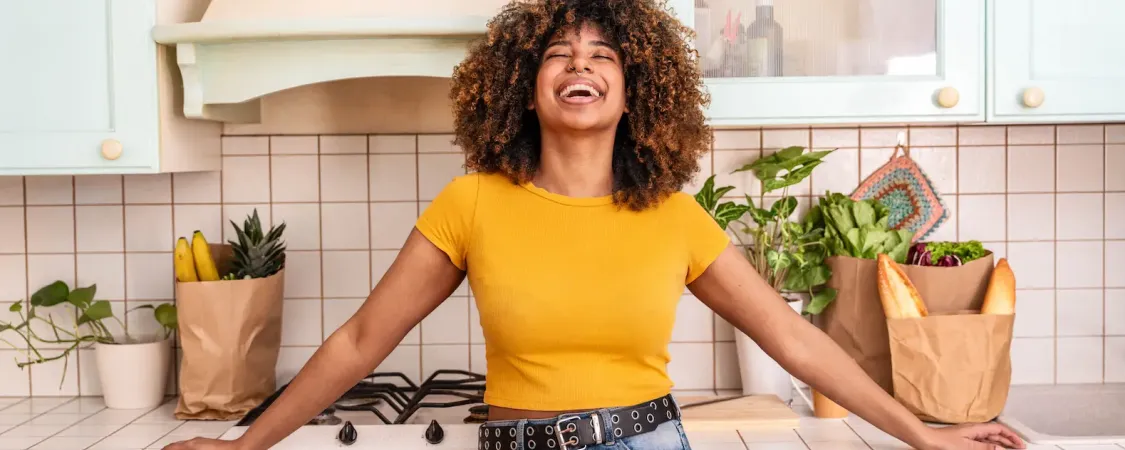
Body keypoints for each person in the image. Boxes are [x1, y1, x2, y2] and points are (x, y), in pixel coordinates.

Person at [165, 1, 1027, 449]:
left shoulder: (675, 218)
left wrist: (923, 434)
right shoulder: (471, 204)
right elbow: (359, 343)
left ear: (635, 88)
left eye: (602, 55)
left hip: (644, 441)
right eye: (558, 53)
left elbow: (799, 346)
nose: (579, 65)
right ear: (524, 86)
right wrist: (245, 448)